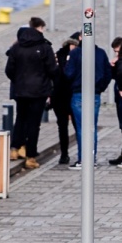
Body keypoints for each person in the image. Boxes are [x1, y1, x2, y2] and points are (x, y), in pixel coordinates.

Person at [4, 17, 58, 170]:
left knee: (20, 118)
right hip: (39, 91)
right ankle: (31, 156)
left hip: (21, 90)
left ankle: (14, 149)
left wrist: (19, 80)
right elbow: (52, 69)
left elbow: (9, 70)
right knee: (34, 124)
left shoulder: (16, 47)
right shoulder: (45, 47)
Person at [63, 32, 113, 170]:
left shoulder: (75, 53)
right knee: (92, 127)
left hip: (79, 93)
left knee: (81, 128)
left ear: (80, 38)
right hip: (94, 94)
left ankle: (83, 159)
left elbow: (68, 73)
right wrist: (100, 88)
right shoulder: (101, 53)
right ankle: (92, 158)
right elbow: (108, 74)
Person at [52, 34, 79, 165]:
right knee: (74, 125)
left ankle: (65, 155)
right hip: (69, 95)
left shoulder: (56, 57)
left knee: (65, 126)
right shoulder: (75, 56)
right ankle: (75, 154)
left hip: (61, 96)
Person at [109, 36, 122, 165]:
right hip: (120, 97)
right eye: (115, 52)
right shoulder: (120, 62)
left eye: (118, 51)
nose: (117, 54)